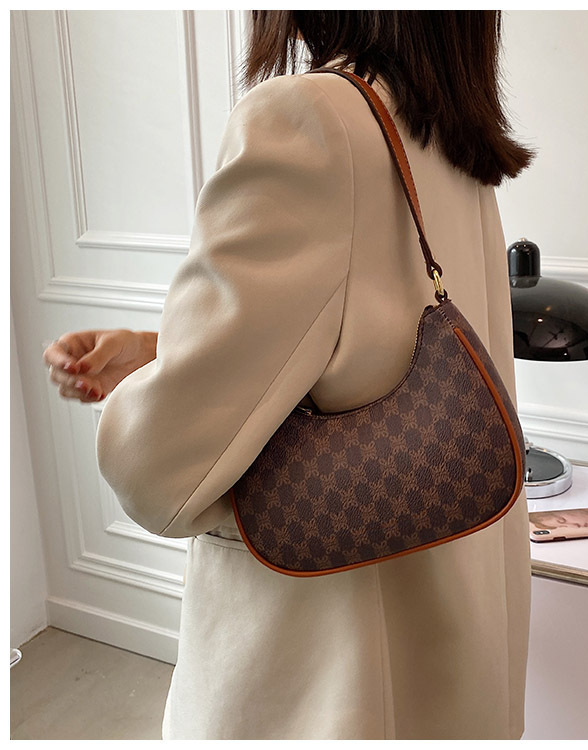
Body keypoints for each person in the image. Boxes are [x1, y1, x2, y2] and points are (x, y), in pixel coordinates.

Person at [42, 10, 534, 740]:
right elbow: (367, 346)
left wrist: (152, 399)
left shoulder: (310, 121)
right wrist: (159, 350)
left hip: (323, 685)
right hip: (450, 660)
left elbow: (160, 476)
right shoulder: (450, 141)